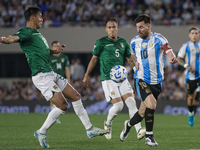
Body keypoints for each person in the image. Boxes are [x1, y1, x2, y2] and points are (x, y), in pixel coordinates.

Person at [0, 7, 108, 149]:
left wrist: (54, 51)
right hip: (41, 75)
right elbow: (12, 38)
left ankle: (90, 129)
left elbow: (43, 51)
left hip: (50, 72)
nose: (42, 19)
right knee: (63, 105)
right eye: (39, 16)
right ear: (32, 18)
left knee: (76, 96)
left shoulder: (37, 34)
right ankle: (41, 132)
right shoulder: (25, 32)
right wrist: (2, 39)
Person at [119, 14, 178, 147]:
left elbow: (168, 49)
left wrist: (172, 57)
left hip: (156, 81)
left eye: (141, 27)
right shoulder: (134, 41)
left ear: (149, 26)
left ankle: (128, 125)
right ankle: (149, 136)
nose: (138, 30)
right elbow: (131, 57)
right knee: (151, 105)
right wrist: (134, 63)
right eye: (137, 27)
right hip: (141, 79)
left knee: (141, 113)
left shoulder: (158, 38)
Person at [83, 18, 146, 140]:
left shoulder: (123, 42)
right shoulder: (101, 42)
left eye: (114, 27)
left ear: (118, 28)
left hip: (122, 78)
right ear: (106, 29)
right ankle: (108, 123)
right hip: (107, 79)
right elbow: (94, 59)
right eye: (109, 27)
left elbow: (129, 59)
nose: (112, 29)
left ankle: (139, 130)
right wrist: (86, 74)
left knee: (131, 103)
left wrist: (135, 69)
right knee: (118, 106)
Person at [177, 27, 200, 127]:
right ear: (189, 35)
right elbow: (179, 59)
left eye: (196, 33)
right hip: (191, 76)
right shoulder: (185, 46)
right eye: (192, 33)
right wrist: (186, 66)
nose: (194, 35)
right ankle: (191, 113)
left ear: (199, 35)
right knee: (191, 96)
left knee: (196, 97)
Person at [49, 41, 70, 124]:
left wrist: (68, 79)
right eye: (54, 46)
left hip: (61, 80)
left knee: (62, 97)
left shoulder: (64, 57)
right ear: (52, 48)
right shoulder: (49, 58)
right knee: (53, 96)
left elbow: (67, 68)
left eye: (57, 46)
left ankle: (56, 114)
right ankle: (54, 115)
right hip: (52, 80)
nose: (56, 47)